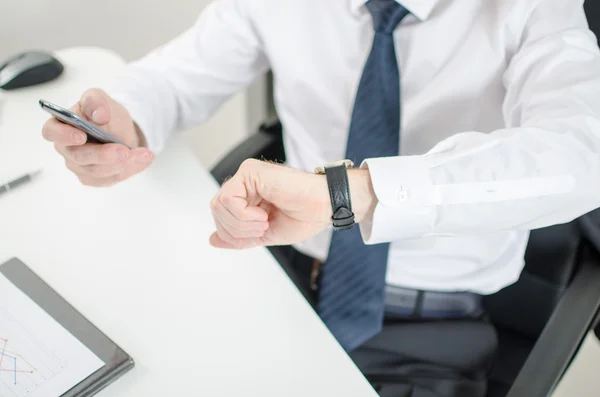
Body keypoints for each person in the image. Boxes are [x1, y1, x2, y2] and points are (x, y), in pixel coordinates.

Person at [41, 0, 600, 395]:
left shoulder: (536, 8)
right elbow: (173, 79)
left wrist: (350, 194)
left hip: (429, 333)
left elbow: (580, 153)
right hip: (277, 287)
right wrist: (124, 122)